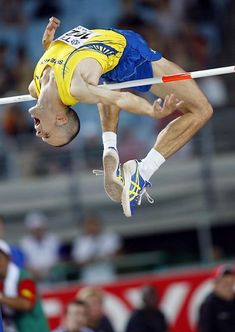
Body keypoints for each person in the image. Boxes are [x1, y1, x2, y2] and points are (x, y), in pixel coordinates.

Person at [28, 17, 213, 217]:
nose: (38, 134)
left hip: (106, 52)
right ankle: (142, 173)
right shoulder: (76, 87)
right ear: (61, 119)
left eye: (44, 136)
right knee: (202, 110)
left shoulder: (35, 86)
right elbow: (120, 99)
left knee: (102, 82)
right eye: (46, 134)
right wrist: (151, 111)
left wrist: (47, 44)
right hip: (129, 54)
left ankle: (110, 149)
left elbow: (57, 55)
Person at [0, 239, 50, 332]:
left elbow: (27, 303)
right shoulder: (2, 282)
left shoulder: (25, 278)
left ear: (8, 258)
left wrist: (2, 298)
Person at [72, 212, 121, 284]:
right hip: (89, 276)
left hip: (108, 273)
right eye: (88, 224)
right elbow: (77, 261)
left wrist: (103, 257)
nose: (92, 227)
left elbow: (117, 254)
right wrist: (91, 260)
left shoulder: (110, 237)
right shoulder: (80, 241)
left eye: (94, 223)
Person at [197, 264, 235, 332]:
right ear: (215, 285)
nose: (229, 288)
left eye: (231, 284)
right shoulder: (208, 305)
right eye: (225, 284)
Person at [20, 211, 60, 281]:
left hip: (53, 274)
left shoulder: (53, 239)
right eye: (36, 230)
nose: (38, 232)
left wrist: (49, 269)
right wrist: (35, 271)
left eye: (40, 229)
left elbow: (58, 258)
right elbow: (25, 263)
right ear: (31, 230)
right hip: (34, 275)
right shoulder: (24, 243)